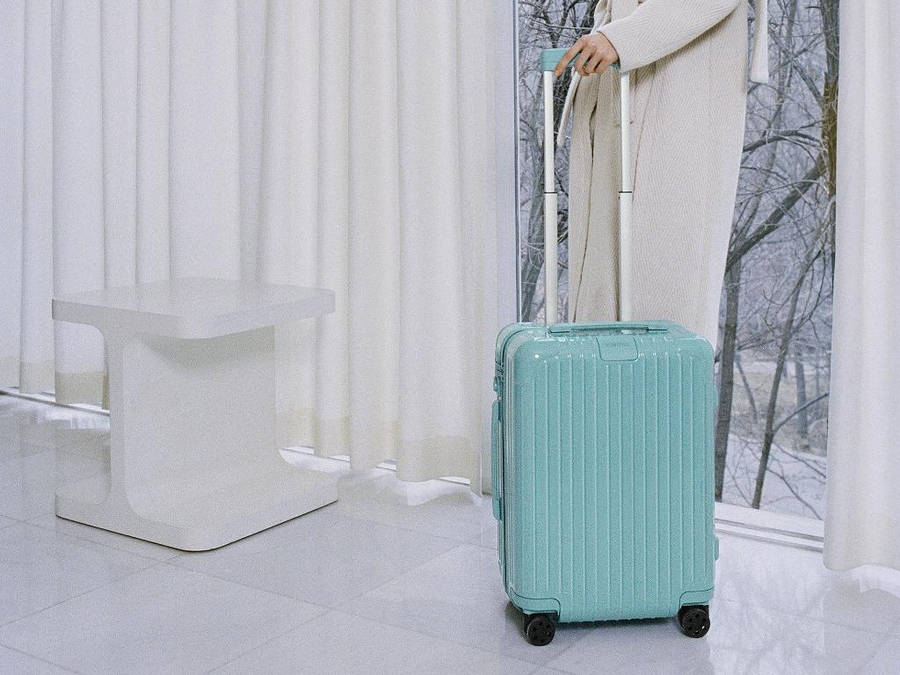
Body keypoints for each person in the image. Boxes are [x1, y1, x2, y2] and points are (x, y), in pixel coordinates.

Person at [554, 0, 768, 347]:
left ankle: (657, 391)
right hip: (619, 85)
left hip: (683, 84)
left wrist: (624, 37)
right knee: (602, 300)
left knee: (665, 290)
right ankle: (598, 393)